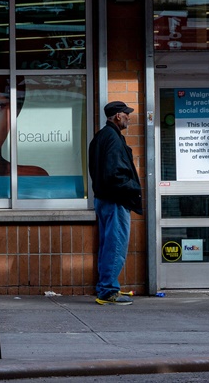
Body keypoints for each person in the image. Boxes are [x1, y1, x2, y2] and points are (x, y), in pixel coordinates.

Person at [88, 100, 143, 305]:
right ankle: (108, 291)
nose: (129, 117)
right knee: (116, 245)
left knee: (108, 244)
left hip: (104, 199)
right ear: (118, 116)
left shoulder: (102, 136)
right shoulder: (112, 137)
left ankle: (106, 286)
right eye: (126, 114)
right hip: (115, 199)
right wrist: (132, 187)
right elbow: (114, 173)